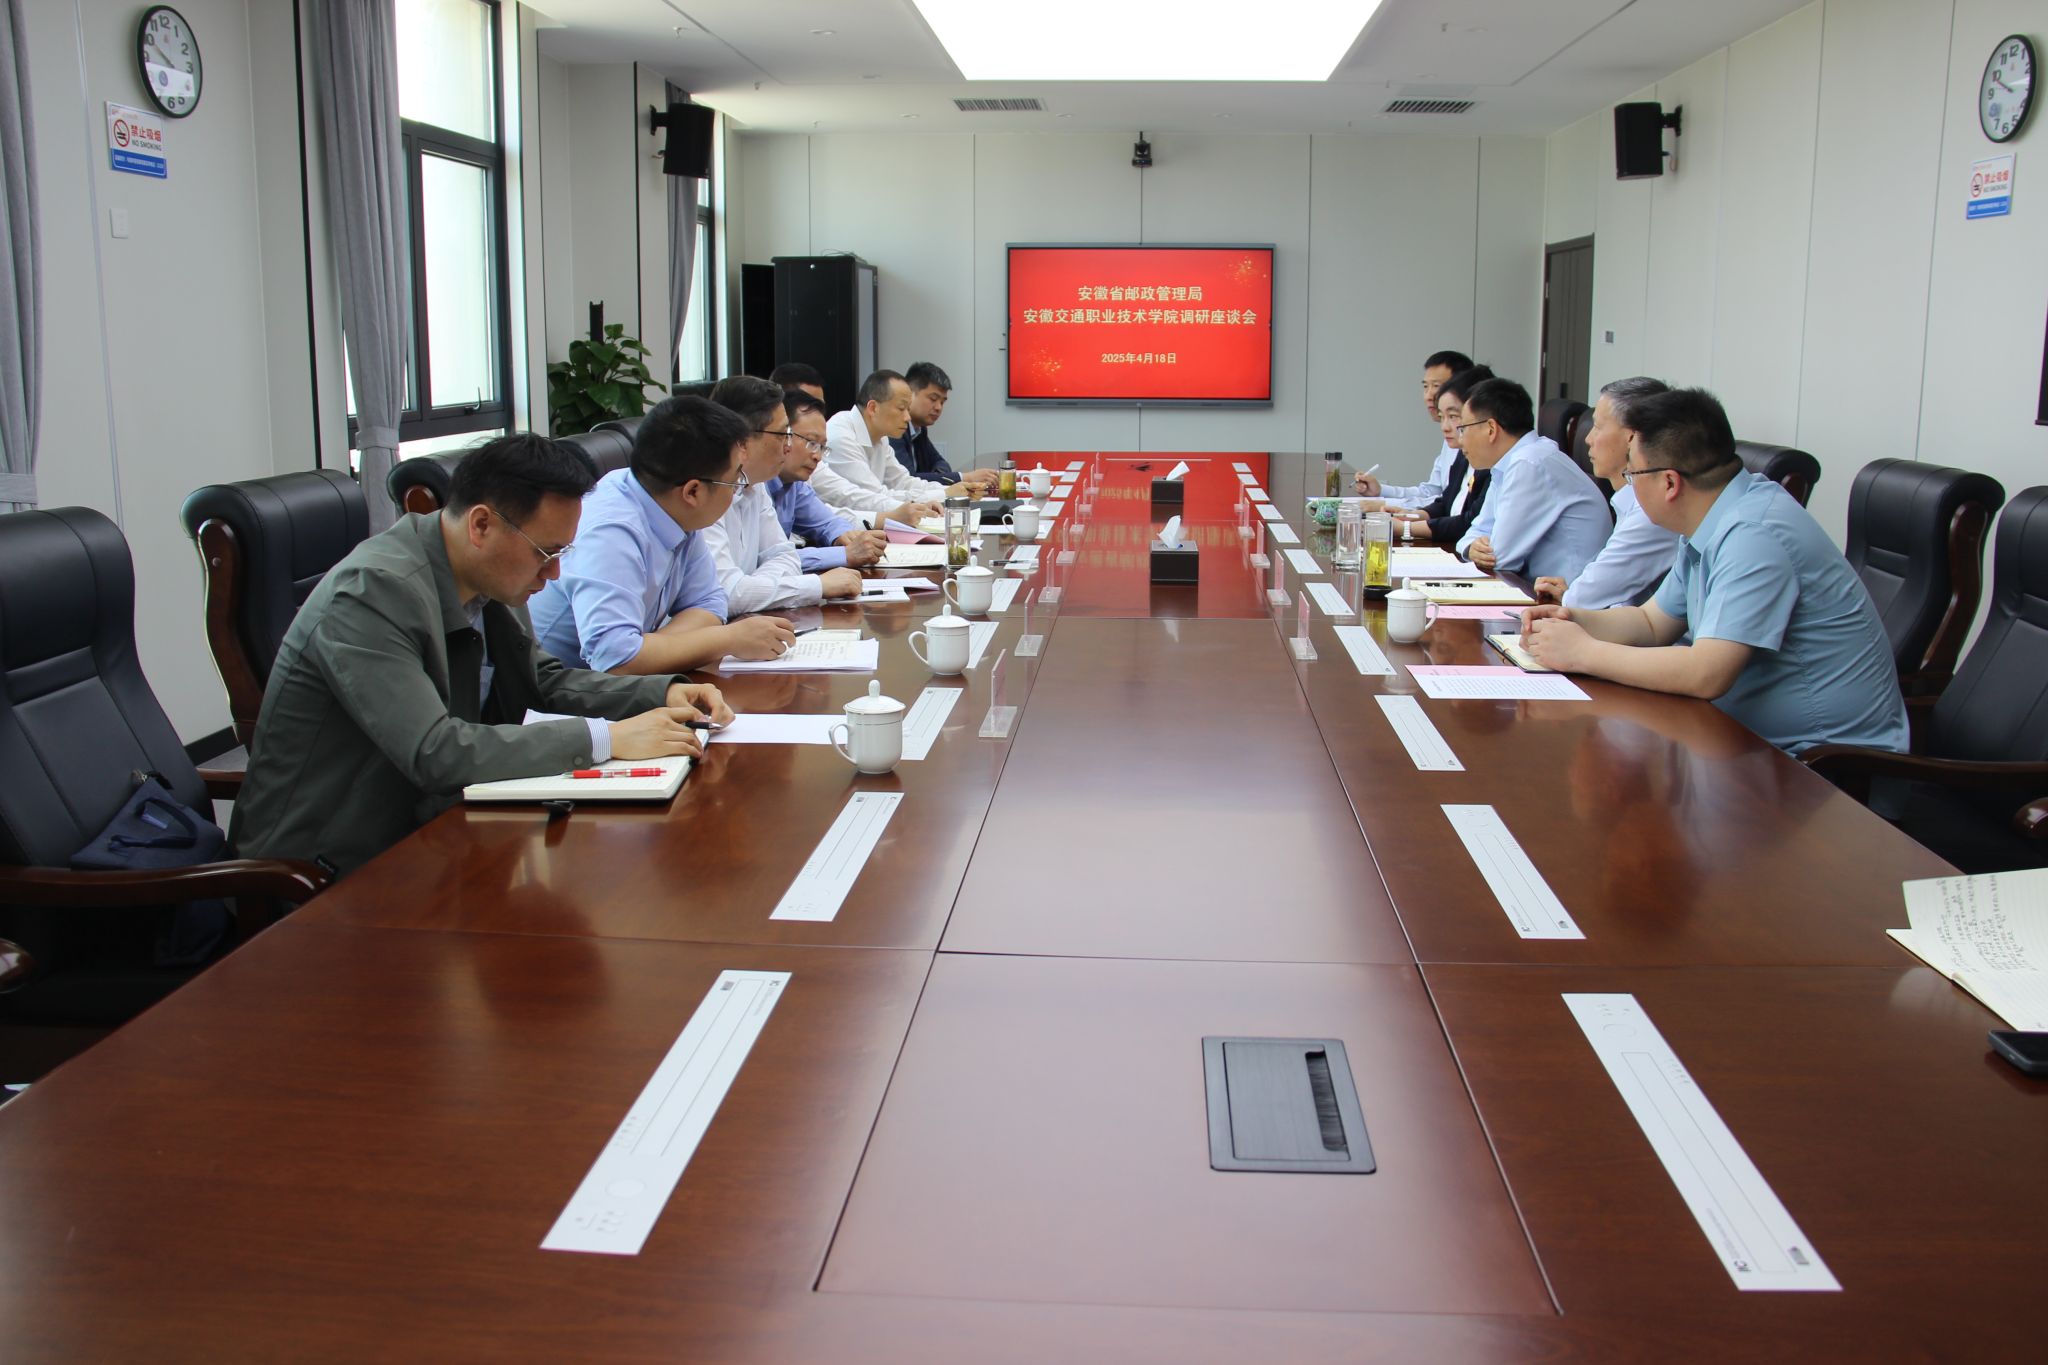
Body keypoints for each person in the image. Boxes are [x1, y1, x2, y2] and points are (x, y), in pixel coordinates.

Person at [229, 433, 732, 877]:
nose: (554, 573)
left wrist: (662, 692)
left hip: (436, 830)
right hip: (330, 868)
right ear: (482, 525)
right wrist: (607, 737)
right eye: (547, 553)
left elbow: (542, 681)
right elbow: (435, 751)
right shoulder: (371, 593)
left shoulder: (484, 575)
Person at [1522, 387, 1908, 756]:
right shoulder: (1711, 519)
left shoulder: (1753, 534)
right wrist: (1572, 619)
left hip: (1818, 763)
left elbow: (1707, 673)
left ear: (1669, 482)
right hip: (1738, 739)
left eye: (1633, 473)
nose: (1629, 486)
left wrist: (1584, 653)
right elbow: (1652, 623)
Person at [530, 395, 798, 673]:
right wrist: (728, 639)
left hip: (620, 684)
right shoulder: (610, 531)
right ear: (692, 492)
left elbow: (709, 602)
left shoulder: (674, 506)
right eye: (734, 481)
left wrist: (649, 649)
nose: (737, 490)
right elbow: (614, 661)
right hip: (556, 688)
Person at [701, 375, 865, 611]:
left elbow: (784, 556)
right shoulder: (705, 490)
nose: (788, 446)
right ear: (742, 439)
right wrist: (816, 586)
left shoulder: (754, 483)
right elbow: (727, 594)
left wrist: (755, 588)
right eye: (782, 435)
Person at [1532, 377, 1682, 609]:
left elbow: (1584, 598)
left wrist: (1573, 595)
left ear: (1633, 438)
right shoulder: (1629, 499)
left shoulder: (1652, 510)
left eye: (1598, 427)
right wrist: (1573, 594)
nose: (1588, 439)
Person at [1453, 377, 1611, 580]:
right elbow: (1477, 530)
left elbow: (1500, 558)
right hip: (1538, 586)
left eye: (1463, 429)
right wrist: (1470, 548)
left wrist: (1476, 548)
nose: (1460, 440)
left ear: (1491, 429)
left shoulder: (1529, 463)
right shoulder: (1509, 463)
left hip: (1566, 593)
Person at [814, 369, 976, 526]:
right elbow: (871, 497)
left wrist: (947, 490)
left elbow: (902, 482)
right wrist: (942, 494)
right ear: (873, 408)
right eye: (901, 408)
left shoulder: (881, 436)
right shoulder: (840, 436)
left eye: (908, 409)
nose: (907, 417)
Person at [772, 388, 889, 571]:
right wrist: (845, 554)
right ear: (782, 435)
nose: (817, 456)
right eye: (811, 443)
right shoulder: (754, 484)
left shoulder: (795, 485)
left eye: (822, 447)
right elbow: (769, 559)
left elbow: (827, 522)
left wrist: (845, 536)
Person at [1387, 365, 1495, 545]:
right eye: (1441, 417)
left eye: (1453, 416)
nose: (1444, 427)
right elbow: (1445, 503)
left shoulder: (1491, 462)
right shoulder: (1462, 454)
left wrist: (1405, 528)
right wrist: (1410, 516)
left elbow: (1468, 522)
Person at [1358, 348, 1472, 505]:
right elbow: (1432, 492)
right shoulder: (1450, 437)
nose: (1429, 396)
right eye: (1425, 387)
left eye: (1437, 386)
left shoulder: (1474, 444)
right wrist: (1380, 491)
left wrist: (1385, 504)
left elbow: (1449, 503)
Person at [891, 361, 996, 490]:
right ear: (909, 394)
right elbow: (908, 480)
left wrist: (938, 476)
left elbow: (940, 462)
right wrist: (965, 477)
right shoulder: (894, 429)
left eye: (942, 402)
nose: (938, 407)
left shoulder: (919, 429)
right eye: (933, 399)